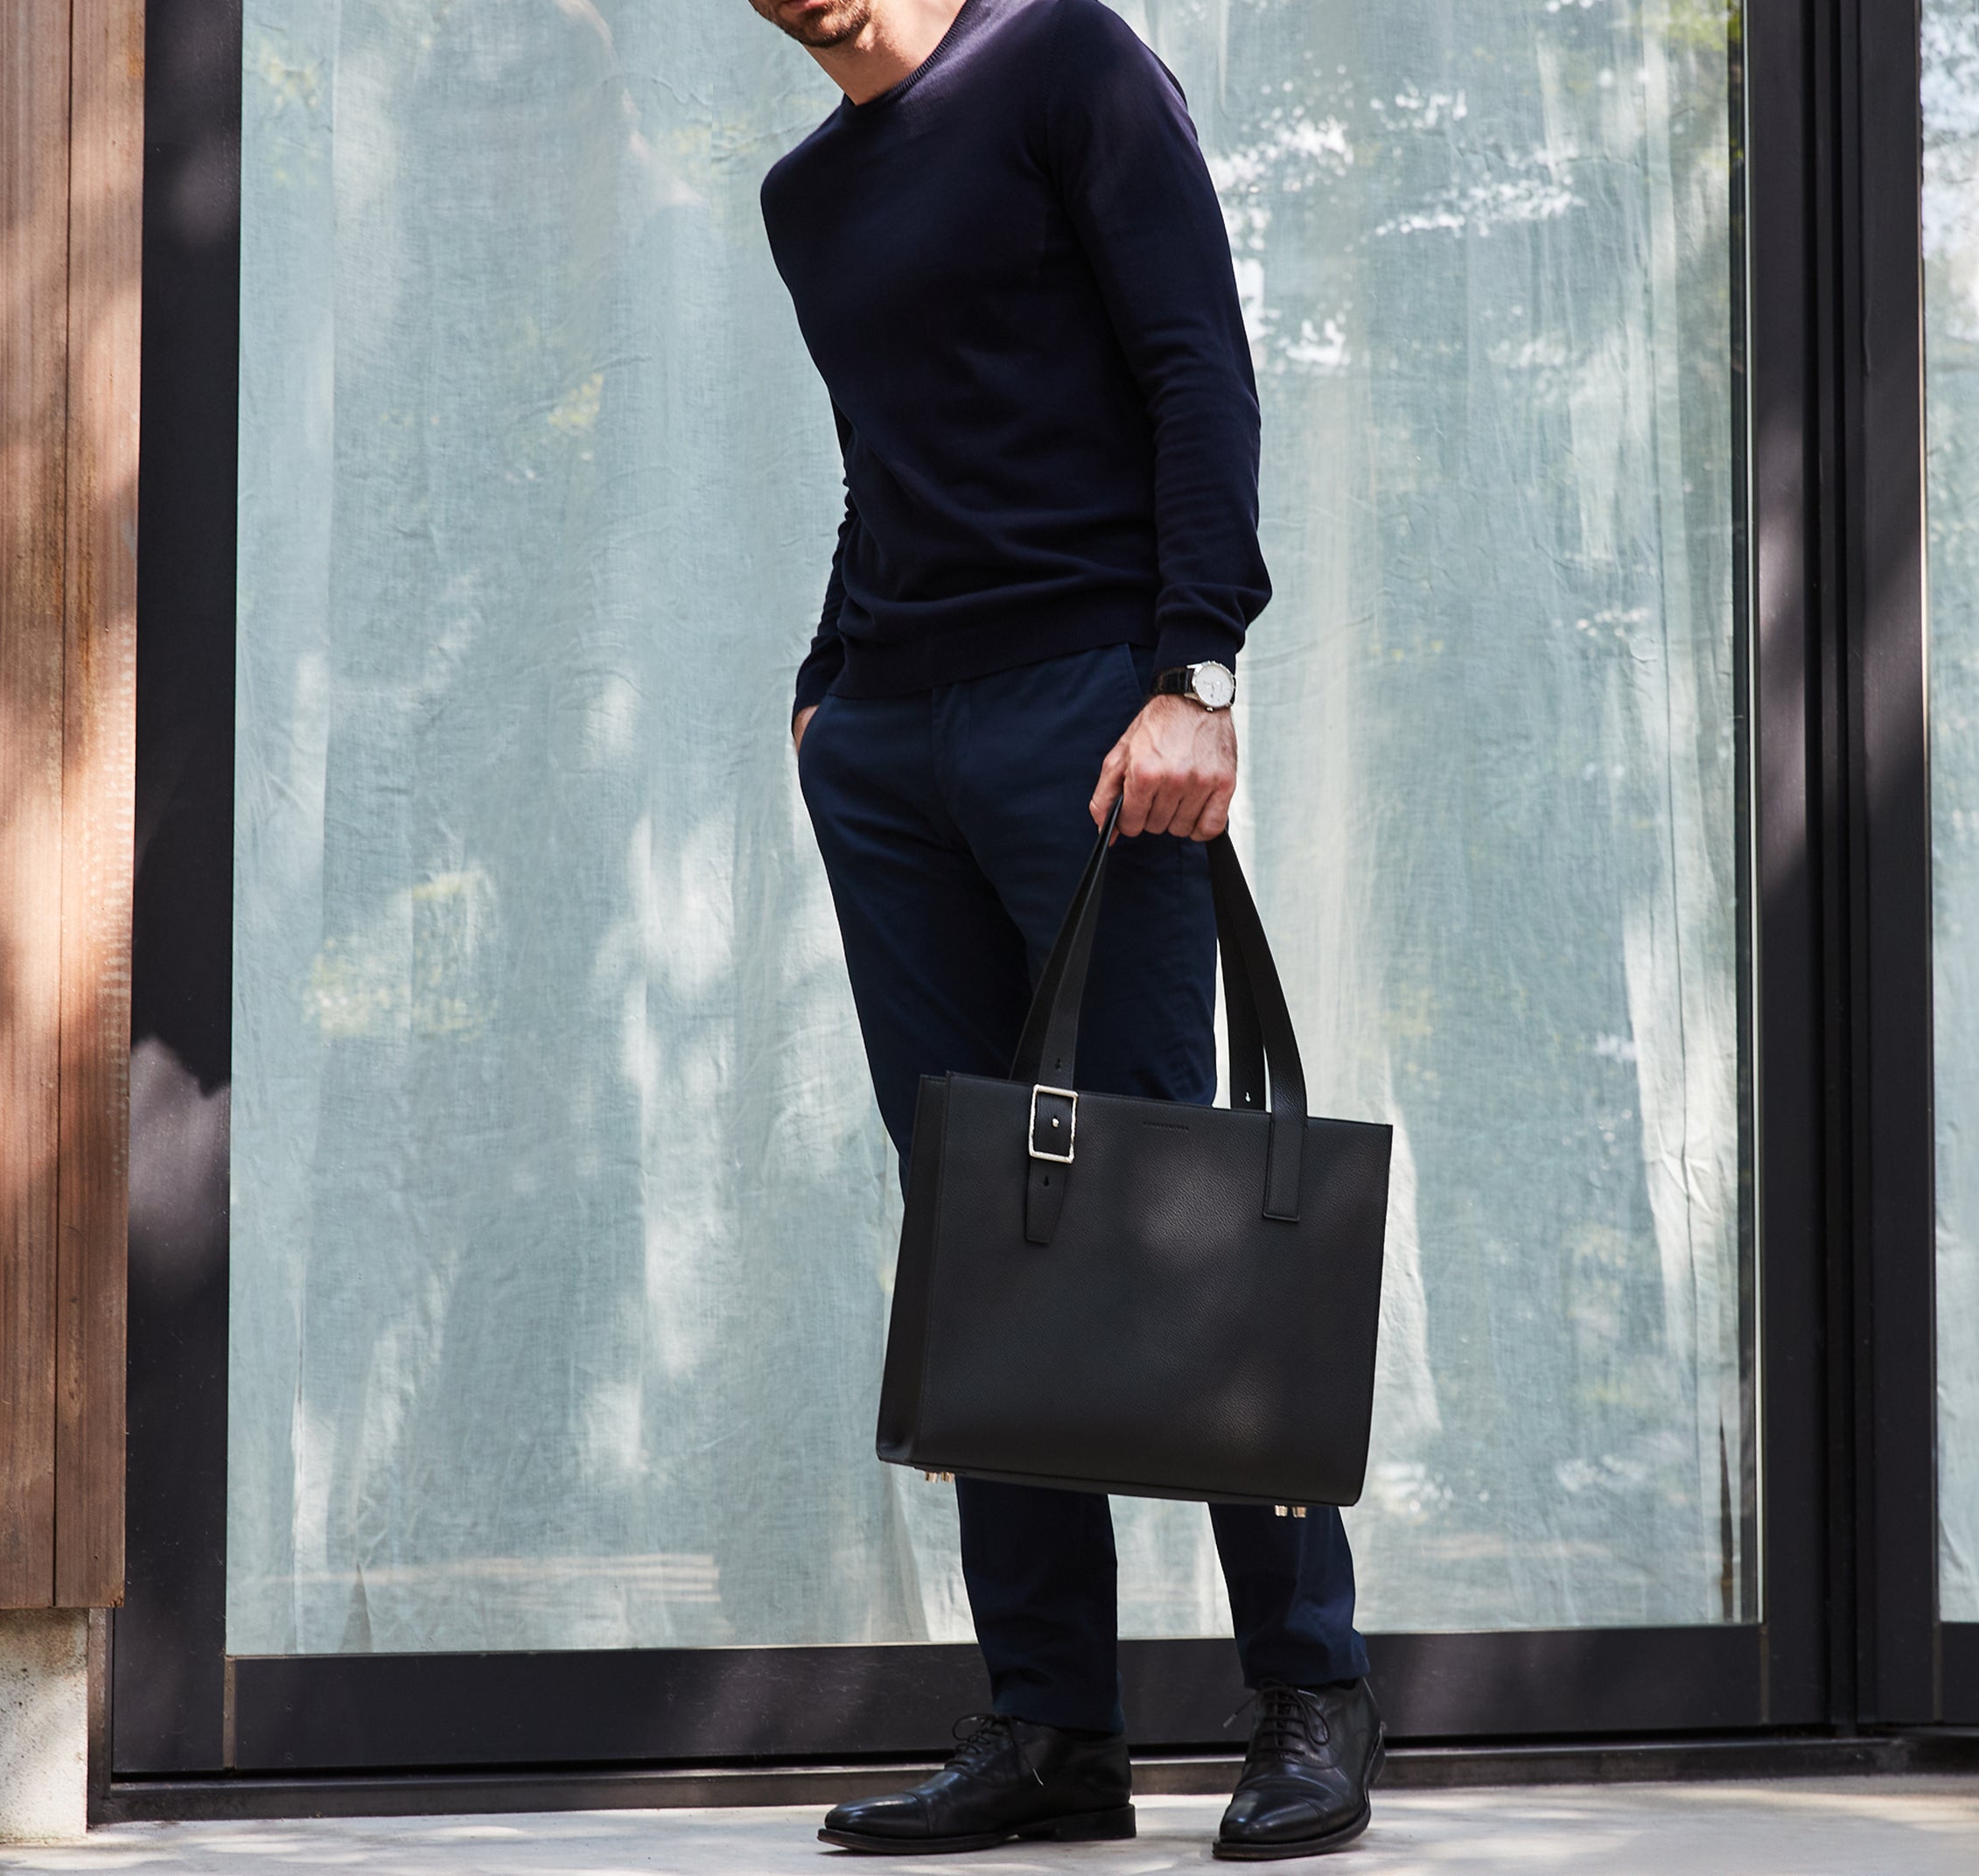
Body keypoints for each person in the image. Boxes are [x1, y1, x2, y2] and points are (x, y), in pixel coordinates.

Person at [749, 0, 1384, 1858]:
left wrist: (1197, 672)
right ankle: (1052, 1729)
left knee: (1167, 1202)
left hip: (1092, 720)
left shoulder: (1066, 64)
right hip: (892, 743)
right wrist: (824, 687)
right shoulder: (806, 199)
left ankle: (1310, 1691)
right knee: (988, 1229)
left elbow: (1198, 367)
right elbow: (892, 463)